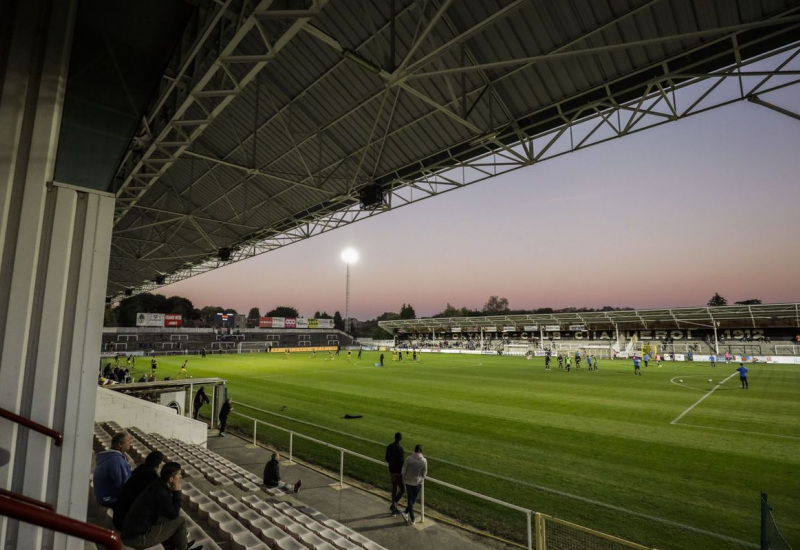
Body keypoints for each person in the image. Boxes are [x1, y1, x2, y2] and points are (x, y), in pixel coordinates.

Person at [121, 462, 201, 550]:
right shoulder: (161, 493)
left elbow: (167, 511)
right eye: (179, 474)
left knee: (168, 518)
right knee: (180, 521)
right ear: (171, 479)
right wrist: (177, 492)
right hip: (137, 538)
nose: (181, 476)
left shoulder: (157, 484)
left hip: (130, 532)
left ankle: (178, 543)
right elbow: (174, 513)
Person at [113, 451, 164, 531]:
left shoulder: (138, 471)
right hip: (129, 524)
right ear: (158, 465)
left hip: (118, 518)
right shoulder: (153, 479)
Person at [93, 432, 133, 511]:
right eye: (128, 441)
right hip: (111, 499)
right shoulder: (116, 460)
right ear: (120, 444)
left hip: (104, 497)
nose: (130, 443)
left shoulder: (109, 457)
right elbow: (125, 486)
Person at [401, 445, 427, 526]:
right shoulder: (423, 461)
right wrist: (422, 478)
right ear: (421, 451)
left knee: (410, 500)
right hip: (417, 483)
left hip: (409, 482)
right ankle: (412, 518)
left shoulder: (409, 458)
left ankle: (406, 512)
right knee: (413, 499)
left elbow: (404, 469)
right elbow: (425, 471)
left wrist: (404, 478)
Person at [385, 432, 405, 515]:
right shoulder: (400, 449)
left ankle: (394, 505)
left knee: (394, 488)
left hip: (391, 471)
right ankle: (394, 505)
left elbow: (386, 458)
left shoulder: (390, 446)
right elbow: (402, 462)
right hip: (397, 472)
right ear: (400, 439)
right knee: (402, 489)